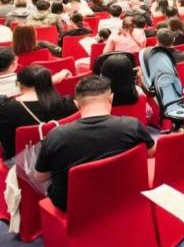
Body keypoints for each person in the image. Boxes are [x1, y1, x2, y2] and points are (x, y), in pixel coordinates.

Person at [34, 76, 155, 210]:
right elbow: (151, 153)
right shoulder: (132, 126)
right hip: (125, 194)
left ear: (76, 104)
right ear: (111, 99)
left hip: (73, 205)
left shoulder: (56, 135)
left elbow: (40, 177)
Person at [0, 66, 77, 159]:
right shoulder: (67, 104)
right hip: (61, 155)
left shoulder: (6, 109)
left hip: (23, 161)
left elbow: (6, 143)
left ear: (18, 84)